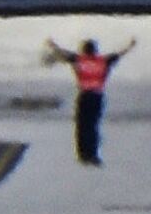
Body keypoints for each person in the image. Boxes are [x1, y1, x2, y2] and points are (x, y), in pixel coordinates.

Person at [44, 37, 135, 166]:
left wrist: (53, 45)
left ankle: (83, 155)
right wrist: (130, 46)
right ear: (95, 51)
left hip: (84, 96)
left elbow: (64, 54)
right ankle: (93, 155)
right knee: (93, 126)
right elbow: (119, 54)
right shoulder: (103, 61)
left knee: (82, 126)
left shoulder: (79, 60)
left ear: (84, 51)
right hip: (97, 97)